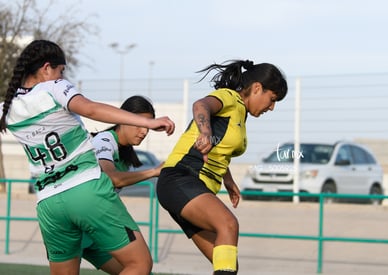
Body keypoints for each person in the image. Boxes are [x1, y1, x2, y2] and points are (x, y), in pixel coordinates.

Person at [0, 39, 175, 275]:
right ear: (46, 68)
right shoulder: (53, 87)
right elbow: (90, 108)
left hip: (48, 205)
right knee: (139, 263)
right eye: (61, 71)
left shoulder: (7, 107)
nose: (61, 76)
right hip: (86, 190)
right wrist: (149, 121)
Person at [156, 59, 288, 274]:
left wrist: (228, 181)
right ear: (257, 88)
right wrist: (205, 131)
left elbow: (220, 149)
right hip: (180, 178)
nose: (272, 107)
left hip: (194, 187)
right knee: (228, 225)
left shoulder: (240, 116)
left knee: (228, 265)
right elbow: (201, 105)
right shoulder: (230, 97)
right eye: (272, 99)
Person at [82, 95, 162, 274]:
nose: (143, 132)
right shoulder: (104, 140)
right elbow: (112, 178)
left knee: (136, 269)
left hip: (93, 230)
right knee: (140, 265)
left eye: (148, 127)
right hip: (82, 220)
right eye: (139, 124)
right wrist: (154, 171)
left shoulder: (125, 152)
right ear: (123, 119)